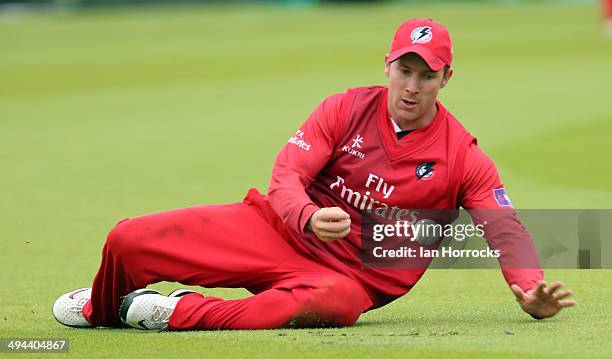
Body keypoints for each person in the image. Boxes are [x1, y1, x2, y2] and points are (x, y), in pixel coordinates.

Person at [52, 18, 576, 331]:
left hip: (346, 280)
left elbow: (503, 227)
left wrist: (529, 289)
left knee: (335, 306)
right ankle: (105, 308)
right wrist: (305, 215)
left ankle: (172, 313)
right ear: (388, 65)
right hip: (273, 231)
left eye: (427, 74)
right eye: (404, 69)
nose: (412, 86)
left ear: (446, 79)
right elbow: (285, 176)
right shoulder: (344, 108)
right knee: (126, 240)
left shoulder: (462, 155)